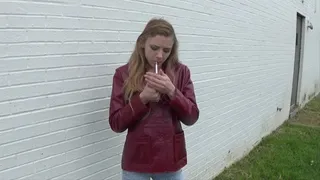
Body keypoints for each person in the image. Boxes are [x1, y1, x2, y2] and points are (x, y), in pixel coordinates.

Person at [108, 17, 200, 180]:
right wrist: (142, 98)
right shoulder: (123, 74)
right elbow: (116, 123)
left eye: (166, 50)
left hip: (170, 159)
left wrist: (172, 91)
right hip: (137, 159)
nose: (159, 55)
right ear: (142, 43)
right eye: (154, 47)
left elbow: (191, 117)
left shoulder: (181, 72)